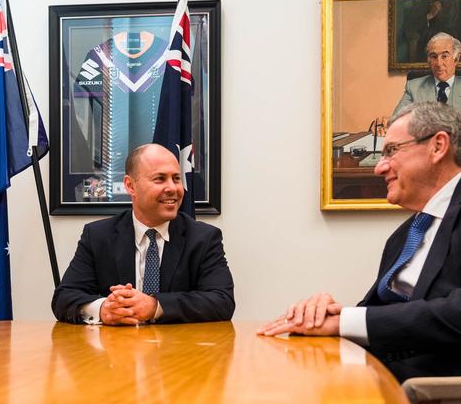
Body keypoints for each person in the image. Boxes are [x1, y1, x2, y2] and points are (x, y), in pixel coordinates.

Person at [258, 101, 461, 381]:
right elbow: (384, 316)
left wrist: (345, 321)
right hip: (377, 377)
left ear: (437, 146)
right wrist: (326, 313)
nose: (379, 168)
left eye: (391, 150)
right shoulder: (404, 236)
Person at [52, 143, 235, 325]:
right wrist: (103, 309)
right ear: (130, 186)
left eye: (176, 178)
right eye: (160, 179)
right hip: (115, 350)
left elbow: (222, 301)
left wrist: (155, 306)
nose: (173, 188)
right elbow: (63, 298)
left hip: (180, 349)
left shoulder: (204, 238)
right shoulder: (98, 236)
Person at [393, 32, 461, 114]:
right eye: (434, 56)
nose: (439, 63)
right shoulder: (414, 87)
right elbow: (397, 119)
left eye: (445, 56)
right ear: (428, 60)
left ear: (456, 59)